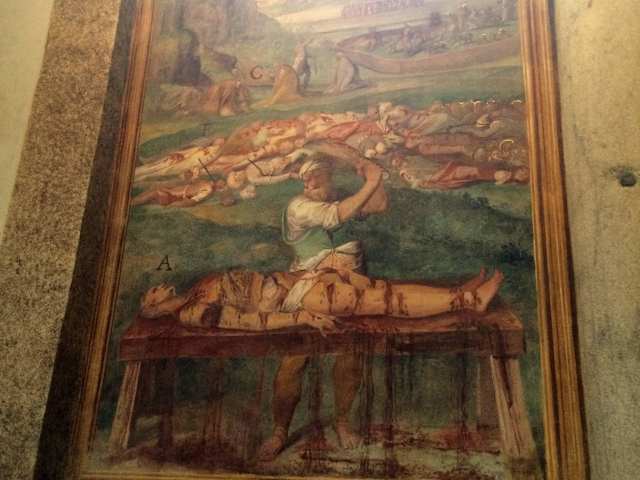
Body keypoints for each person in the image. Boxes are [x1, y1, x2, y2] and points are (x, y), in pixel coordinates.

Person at [130, 178, 225, 207]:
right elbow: (190, 182)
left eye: (220, 183)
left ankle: (131, 202)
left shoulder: (208, 190)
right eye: (218, 180)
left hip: (173, 197)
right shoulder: (205, 182)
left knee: (154, 193)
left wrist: (174, 204)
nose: (217, 181)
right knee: (151, 191)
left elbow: (192, 201)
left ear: (218, 187)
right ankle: (133, 202)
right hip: (171, 192)